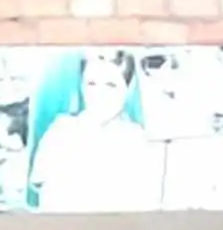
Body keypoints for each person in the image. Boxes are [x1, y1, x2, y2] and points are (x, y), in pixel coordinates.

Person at [26, 50, 158, 212]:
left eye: (110, 85)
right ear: (82, 85)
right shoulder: (61, 131)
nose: (99, 94)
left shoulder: (136, 140)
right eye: (91, 84)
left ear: (127, 89)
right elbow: (42, 191)